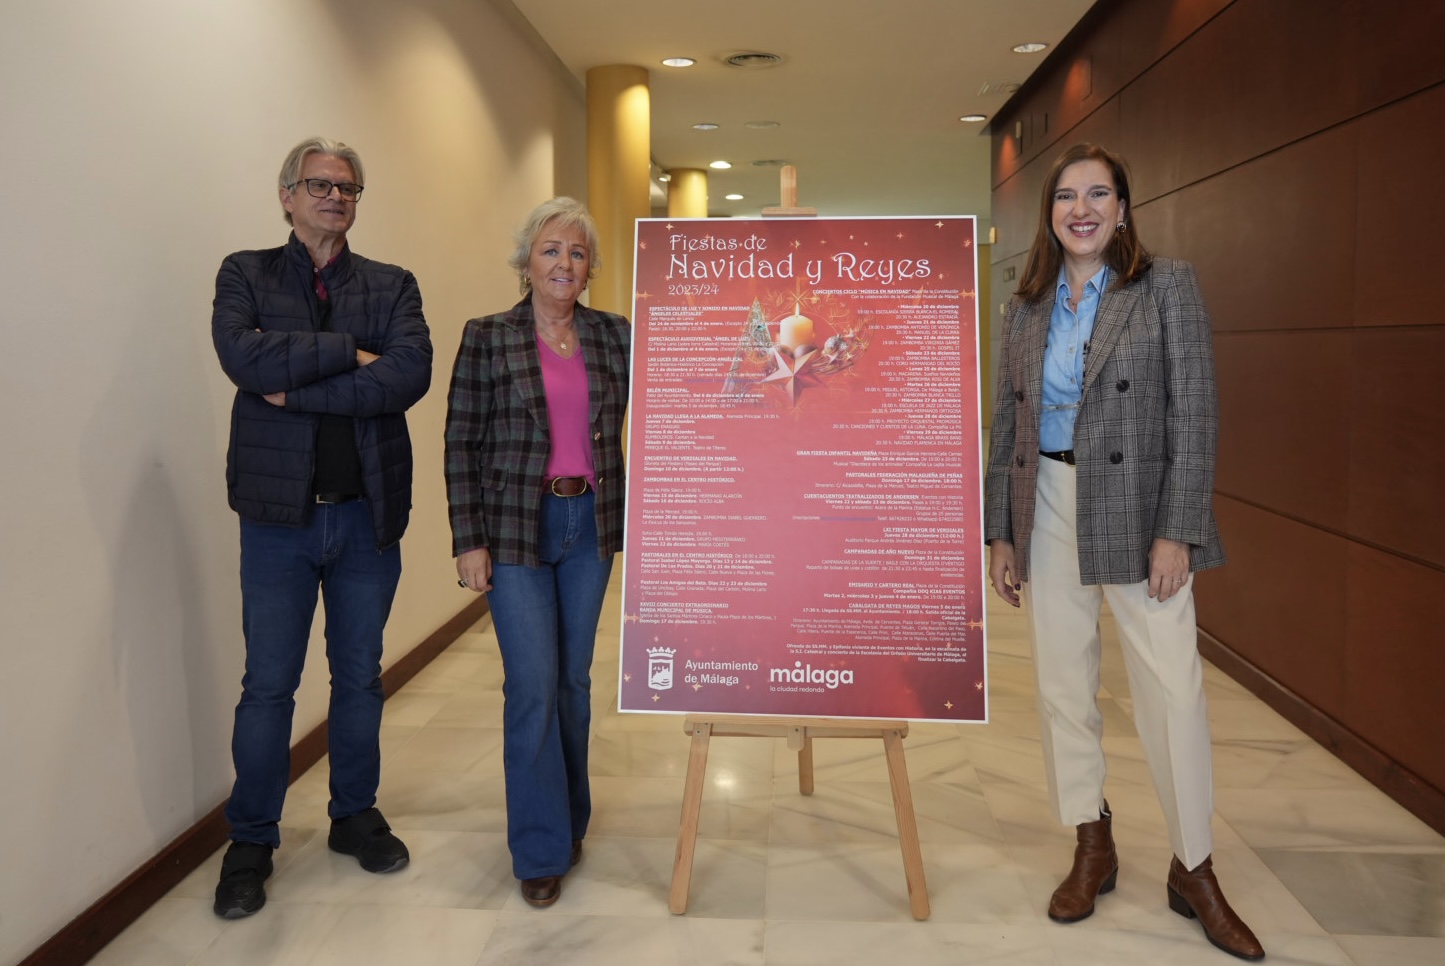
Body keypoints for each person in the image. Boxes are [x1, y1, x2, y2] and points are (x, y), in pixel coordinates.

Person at [984, 143, 1263, 961]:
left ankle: (1193, 866)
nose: (1081, 209)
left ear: (1122, 207)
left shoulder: (1163, 285)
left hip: (1141, 513)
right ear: (1048, 213)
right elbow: (1009, 421)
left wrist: (1178, 529)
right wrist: (1001, 532)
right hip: (1046, 503)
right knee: (1062, 686)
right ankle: (1090, 840)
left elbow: (1194, 414)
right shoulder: (1024, 306)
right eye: (1065, 196)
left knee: (1172, 691)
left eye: (1097, 194)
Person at [209, 137, 432, 919]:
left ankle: (353, 815)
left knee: (360, 678)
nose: (336, 196)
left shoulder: (392, 284)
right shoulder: (244, 274)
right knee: (269, 687)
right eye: (319, 184)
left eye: (348, 187)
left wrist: (297, 387)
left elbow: (406, 376)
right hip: (278, 523)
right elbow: (243, 360)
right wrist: (347, 353)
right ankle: (251, 838)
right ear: (287, 196)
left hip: (367, 517)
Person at [444, 197, 630, 907]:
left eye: (577, 253)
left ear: (590, 269)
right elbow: (460, 442)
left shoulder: (615, 335)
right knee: (531, 685)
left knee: (572, 684)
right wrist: (469, 540)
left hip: (590, 523)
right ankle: (540, 848)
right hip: (516, 527)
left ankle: (569, 819)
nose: (564, 263)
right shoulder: (488, 337)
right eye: (551, 249)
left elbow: (678, 398)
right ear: (527, 261)